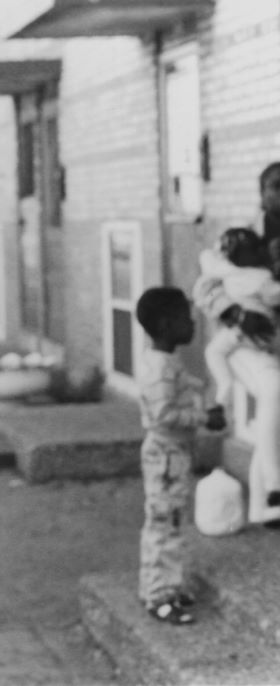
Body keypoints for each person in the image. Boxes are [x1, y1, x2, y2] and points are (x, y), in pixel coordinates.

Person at [193, 161, 280, 527]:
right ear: (261, 193)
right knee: (275, 390)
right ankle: (276, 485)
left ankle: (265, 507)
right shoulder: (242, 238)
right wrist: (236, 315)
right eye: (275, 186)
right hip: (244, 342)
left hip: (274, 340)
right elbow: (204, 288)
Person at [135, 287, 227, 625]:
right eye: (185, 319)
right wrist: (205, 419)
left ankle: (167, 587)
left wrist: (200, 392)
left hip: (172, 454)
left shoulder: (164, 360)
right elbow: (163, 415)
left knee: (171, 522)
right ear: (164, 325)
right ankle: (159, 596)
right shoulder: (160, 367)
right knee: (164, 525)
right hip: (166, 456)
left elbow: (181, 387)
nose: (192, 324)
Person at [197, 226, 280, 409]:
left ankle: (223, 392)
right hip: (261, 332)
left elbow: (206, 257)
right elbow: (203, 294)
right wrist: (235, 313)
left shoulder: (225, 269)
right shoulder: (261, 277)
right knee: (272, 389)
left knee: (213, 352)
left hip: (240, 336)